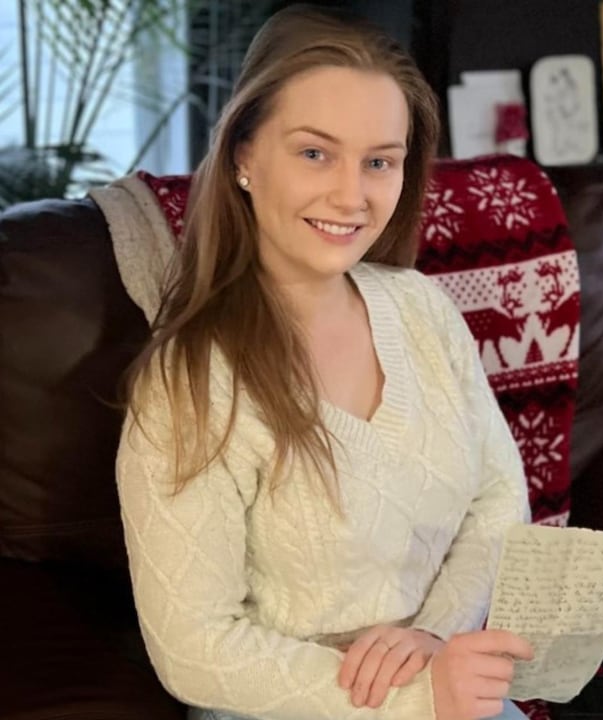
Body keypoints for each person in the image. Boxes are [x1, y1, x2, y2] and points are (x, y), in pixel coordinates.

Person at [112, 6, 533, 719]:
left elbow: (499, 501)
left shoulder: (423, 310)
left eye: (379, 161)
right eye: (315, 153)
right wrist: (417, 694)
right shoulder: (189, 383)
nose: (351, 195)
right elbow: (192, 647)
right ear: (244, 155)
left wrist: (435, 636)